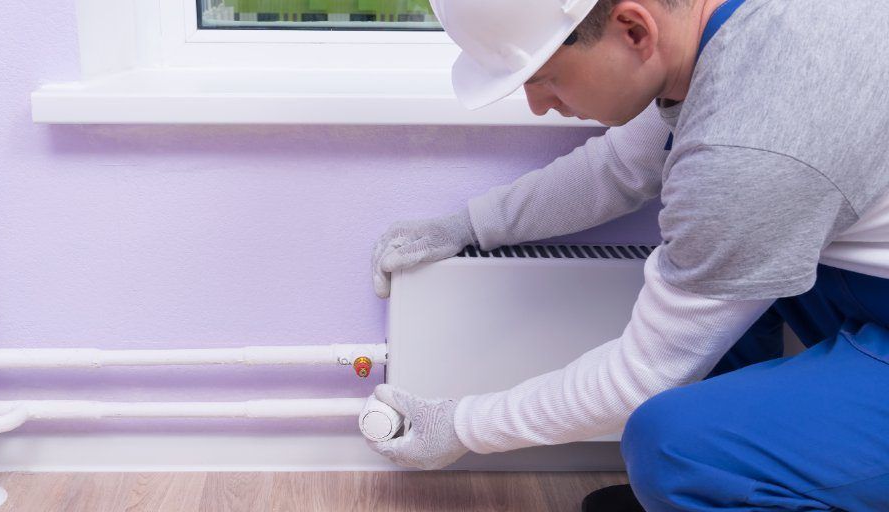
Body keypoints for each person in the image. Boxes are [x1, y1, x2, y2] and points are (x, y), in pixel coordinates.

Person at [364, 0, 889, 510]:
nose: (538, 103)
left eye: (545, 77)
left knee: (672, 447)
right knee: (709, 259)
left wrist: (459, 426)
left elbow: (641, 375)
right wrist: (469, 225)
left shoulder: (751, 144)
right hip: (868, 288)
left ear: (634, 30)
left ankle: (713, 479)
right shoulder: (734, 35)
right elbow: (621, 164)